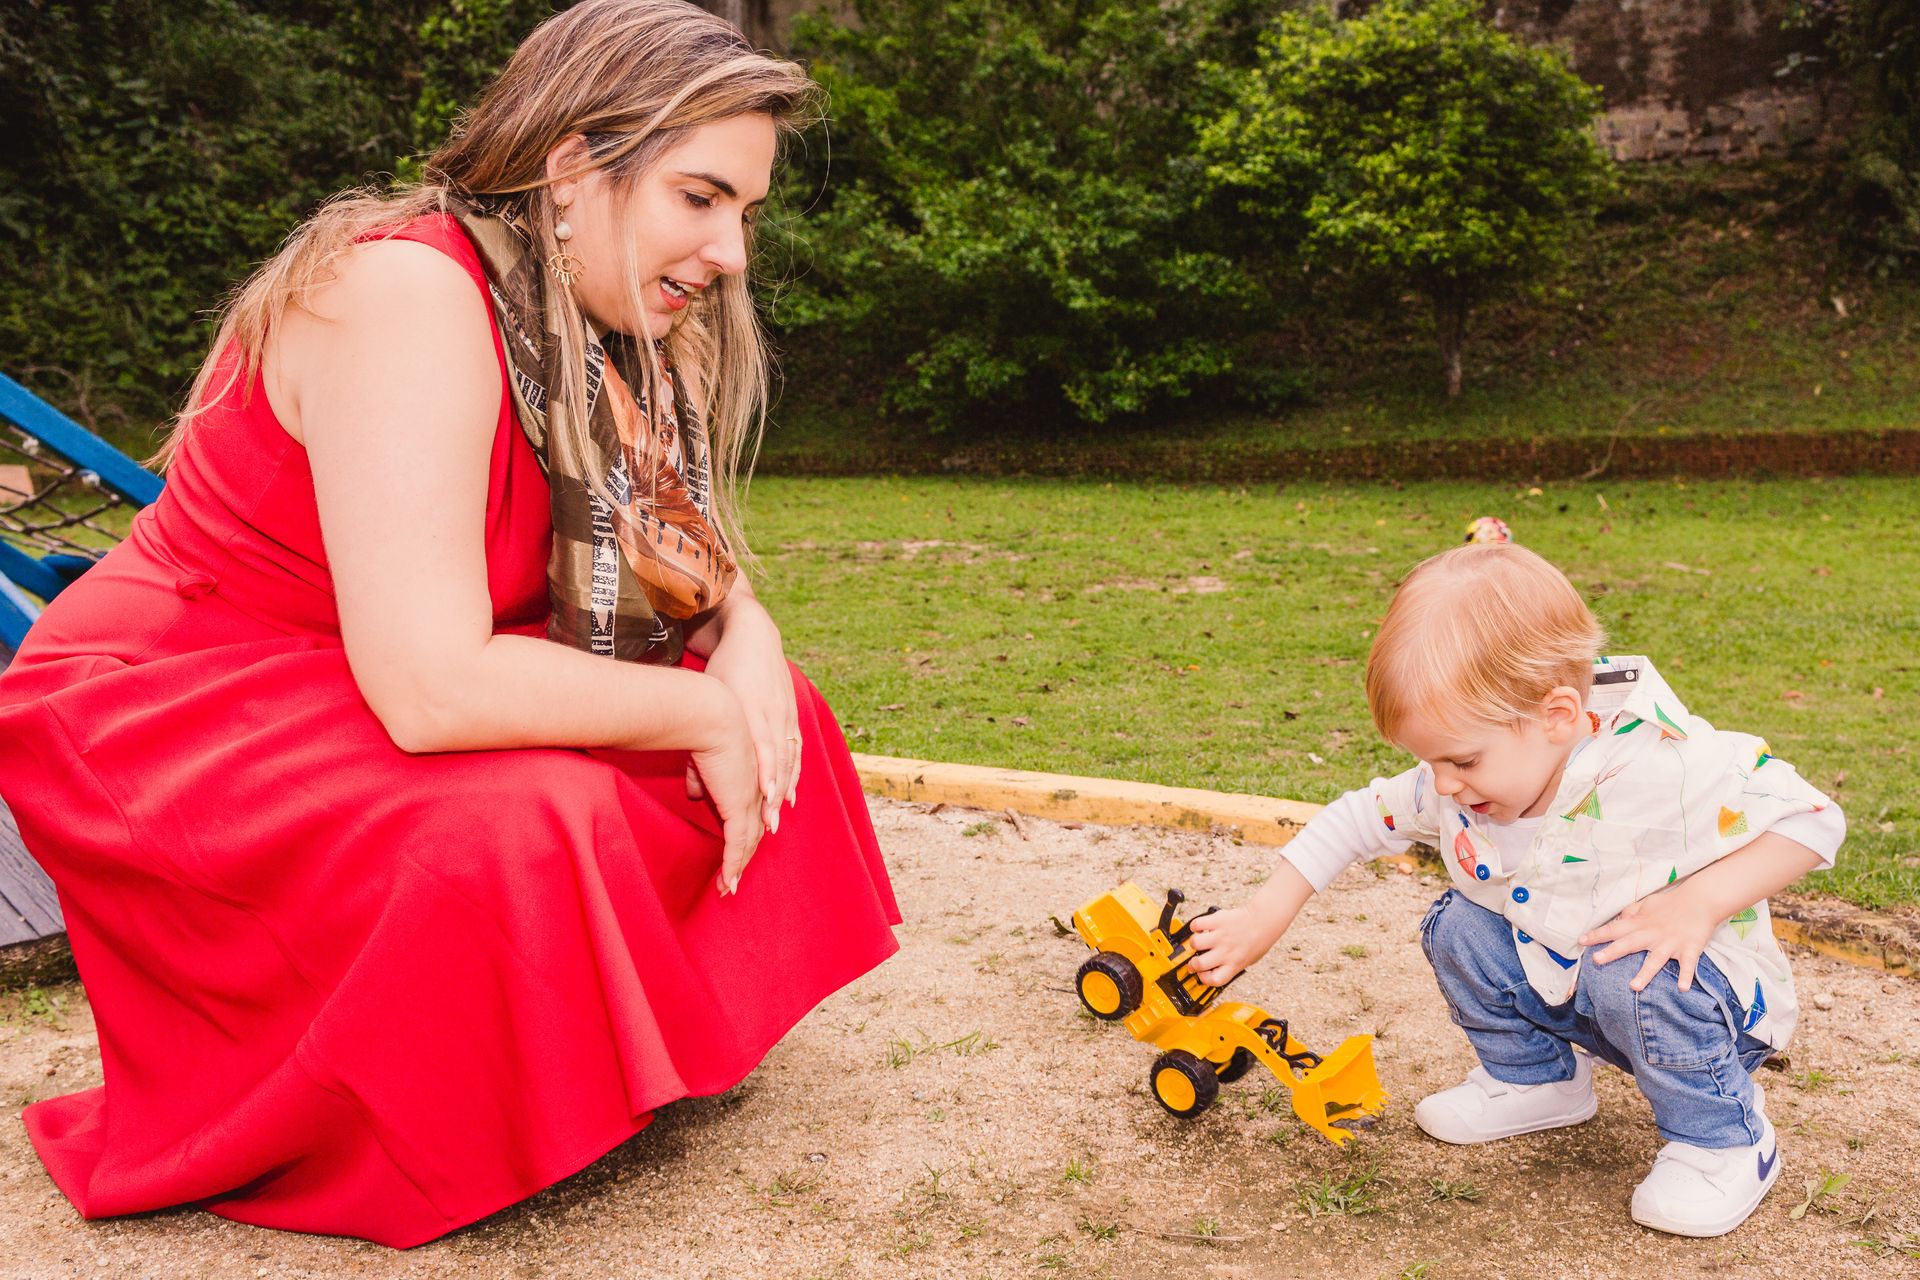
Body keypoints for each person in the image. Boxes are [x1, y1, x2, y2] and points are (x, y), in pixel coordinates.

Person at [0, 0, 899, 1248]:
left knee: (777, 707)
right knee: (536, 814)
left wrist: (744, 645)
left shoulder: (605, 315)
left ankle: (626, 1044)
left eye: (744, 210)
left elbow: (685, 571)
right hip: (173, 697)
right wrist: (699, 701)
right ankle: (411, 1102)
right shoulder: (409, 293)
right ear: (576, 168)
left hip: (355, 673)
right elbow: (429, 688)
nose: (733, 250)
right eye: (702, 198)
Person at [1186, 541, 1843, 1238]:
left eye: (1461, 759)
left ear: (1557, 716)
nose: (1441, 784)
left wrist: (1698, 904)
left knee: (1627, 968)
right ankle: (1539, 1080)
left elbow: (1815, 817)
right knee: (1458, 927)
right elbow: (1357, 817)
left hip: (1698, 1005)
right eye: (1426, 760)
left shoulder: (1667, 766)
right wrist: (1264, 914)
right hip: (1573, 989)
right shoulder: (1465, 779)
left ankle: (1725, 1141)